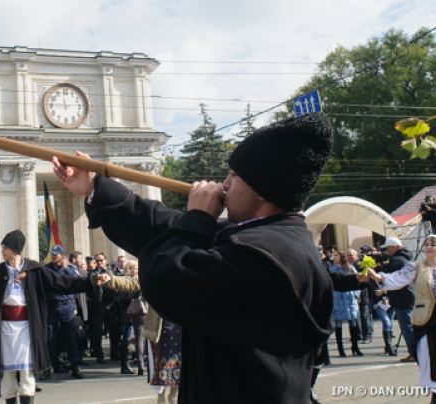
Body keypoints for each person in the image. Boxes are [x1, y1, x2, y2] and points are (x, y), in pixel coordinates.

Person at [53, 112, 335, 404]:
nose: (224, 183)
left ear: (262, 189)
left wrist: (199, 217)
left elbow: (166, 281)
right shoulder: (258, 239)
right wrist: (96, 187)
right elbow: (163, 227)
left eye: (235, 175)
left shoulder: (269, 256)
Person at [0, 230, 96, 404]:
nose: (2, 251)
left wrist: (91, 281)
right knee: (7, 372)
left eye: (5, 247)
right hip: (4, 328)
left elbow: (62, 283)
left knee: (27, 371)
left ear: (15, 249)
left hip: (27, 328)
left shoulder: (35, 270)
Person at [368, 234, 436, 403]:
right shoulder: (416, 267)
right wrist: (378, 277)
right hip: (427, 320)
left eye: (433, 244)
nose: (428, 247)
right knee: (428, 355)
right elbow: (398, 278)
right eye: (426, 244)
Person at [98, 272, 180, 404]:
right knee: (162, 367)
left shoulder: (187, 267)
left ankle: (174, 397)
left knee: (181, 368)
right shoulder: (157, 269)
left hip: (183, 328)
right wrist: (111, 279)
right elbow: (134, 282)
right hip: (161, 328)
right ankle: (162, 399)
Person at [40, 244, 85, 380]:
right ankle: (47, 368)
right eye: (52, 254)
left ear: (62, 256)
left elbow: (76, 282)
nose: (53, 256)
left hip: (66, 307)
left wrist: (65, 268)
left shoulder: (69, 269)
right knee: (50, 338)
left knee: (71, 337)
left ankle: (75, 366)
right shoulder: (46, 269)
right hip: (52, 306)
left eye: (56, 254)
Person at [378, 236, 416, 362]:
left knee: (407, 327)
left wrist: (379, 268)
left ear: (395, 247)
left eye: (388, 248)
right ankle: (414, 352)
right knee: (408, 326)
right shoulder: (405, 258)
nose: (386, 251)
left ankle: (413, 353)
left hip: (401, 298)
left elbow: (389, 277)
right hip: (407, 297)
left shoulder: (396, 260)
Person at [115, 260, 145, 375]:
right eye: (136, 269)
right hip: (127, 313)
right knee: (127, 338)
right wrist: (135, 290)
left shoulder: (139, 280)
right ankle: (124, 364)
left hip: (139, 313)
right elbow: (122, 298)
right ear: (131, 269)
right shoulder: (125, 280)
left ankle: (140, 363)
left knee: (139, 338)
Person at [330, 251, 362, 357]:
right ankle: (341, 349)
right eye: (333, 255)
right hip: (337, 298)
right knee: (338, 325)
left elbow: (358, 281)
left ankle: (355, 346)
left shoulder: (350, 268)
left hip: (349, 298)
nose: (334, 257)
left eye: (336, 255)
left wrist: (355, 295)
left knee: (353, 323)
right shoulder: (332, 269)